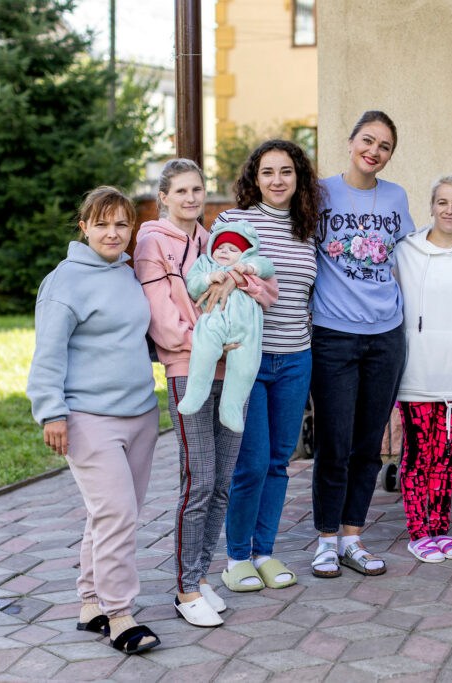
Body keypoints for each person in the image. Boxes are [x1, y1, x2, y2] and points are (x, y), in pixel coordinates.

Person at [133, 159, 277, 628]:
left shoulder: (215, 238)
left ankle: (200, 573)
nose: (191, 198)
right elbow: (162, 321)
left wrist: (238, 278)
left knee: (221, 482)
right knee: (198, 482)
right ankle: (185, 587)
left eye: (197, 189)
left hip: (233, 369)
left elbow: (268, 291)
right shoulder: (153, 242)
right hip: (189, 370)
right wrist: (209, 343)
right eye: (181, 191)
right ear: (164, 197)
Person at [26, 186, 160, 654]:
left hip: (142, 414)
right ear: (84, 228)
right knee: (117, 514)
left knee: (112, 515)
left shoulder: (128, 273)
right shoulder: (64, 282)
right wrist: (51, 413)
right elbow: (48, 354)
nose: (113, 232)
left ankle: (90, 603)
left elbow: (138, 337)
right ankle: (121, 616)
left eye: (121, 224)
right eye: (102, 224)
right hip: (87, 418)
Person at [215, 139, 323, 592]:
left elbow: (308, 298)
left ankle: (265, 552)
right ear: (253, 178)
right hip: (248, 361)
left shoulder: (308, 228)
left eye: (286, 172)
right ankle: (236, 557)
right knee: (252, 462)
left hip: (297, 358)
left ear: (298, 177)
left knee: (280, 461)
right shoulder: (233, 222)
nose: (277, 180)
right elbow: (209, 284)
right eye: (267, 172)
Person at [310, 110, 415, 578]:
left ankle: (353, 538)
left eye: (385, 146)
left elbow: (409, 260)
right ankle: (325, 541)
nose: (374, 151)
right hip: (333, 336)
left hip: (385, 337)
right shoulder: (320, 193)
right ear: (350, 141)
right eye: (368, 141)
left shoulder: (396, 198)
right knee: (334, 442)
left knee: (370, 446)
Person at [395, 174, 452, 563]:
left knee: (448, 455)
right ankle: (419, 532)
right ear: (431, 205)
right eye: (443, 202)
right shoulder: (406, 250)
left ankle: (440, 526)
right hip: (419, 370)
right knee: (420, 454)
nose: (450, 210)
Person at [177, 221, 274, 433]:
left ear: (245, 252)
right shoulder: (205, 263)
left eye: (232, 249)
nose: (224, 251)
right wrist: (208, 278)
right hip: (214, 321)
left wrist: (248, 268)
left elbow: (268, 268)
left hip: (245, 328)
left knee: (245, 368)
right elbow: (193, 286)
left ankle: (232, 408)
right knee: (203, 353)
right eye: (220, 247)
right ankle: (194, 393)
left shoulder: (250, 263)